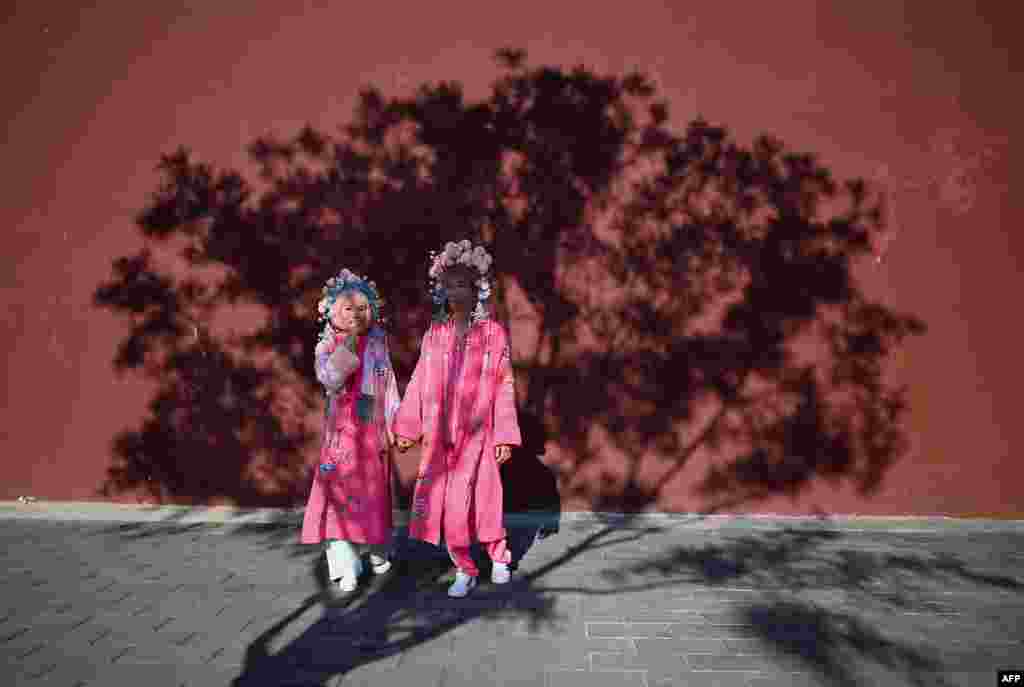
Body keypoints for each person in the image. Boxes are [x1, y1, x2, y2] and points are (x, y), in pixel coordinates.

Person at [394, 240, 521, 597]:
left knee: (486, 499)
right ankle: (463, 566)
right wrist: (408, 426)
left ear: (477, 287)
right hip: (441, 441)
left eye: (461, 283)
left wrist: (505, 436)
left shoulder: (493, 335)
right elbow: (419, 380)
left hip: (480, 436)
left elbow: (504, 384)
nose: (454, 291)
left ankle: (499, 556)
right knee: (450, 504)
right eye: (448, 285)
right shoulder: (435, 335)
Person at [300, 269, 401, 593]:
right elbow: (330, 379)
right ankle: (345, 563)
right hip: (340, 436)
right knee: (337, 498)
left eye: (363, 308)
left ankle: (378, 551)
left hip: (371, 432)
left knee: (373, 496)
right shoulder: (327, 346)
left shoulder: (377, 342)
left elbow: (388, 383)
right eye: (348, 308)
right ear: (330, 311)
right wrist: (350, 348)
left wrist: (395, 421)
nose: (357, 314)